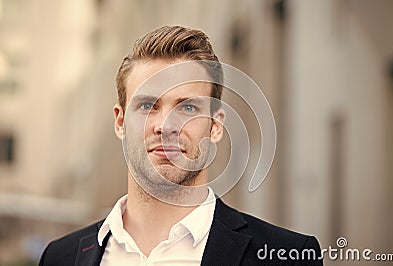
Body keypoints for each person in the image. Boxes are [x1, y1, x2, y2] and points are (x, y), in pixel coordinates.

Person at [39, 25, 323, 266]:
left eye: (187, 108)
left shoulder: (288, 257)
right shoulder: (59, 257)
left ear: (215, 126)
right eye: (148, 105)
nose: (166, 125)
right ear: (120, 122)